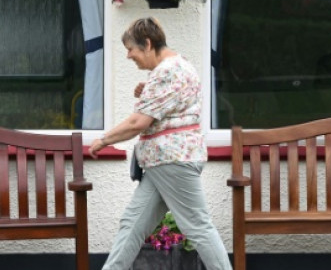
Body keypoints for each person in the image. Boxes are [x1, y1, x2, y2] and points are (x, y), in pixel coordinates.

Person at [89, 17, 232, 270]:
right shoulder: (179, 66)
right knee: (132, 224)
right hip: (163, 163)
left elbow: (137, 123)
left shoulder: (167, 70)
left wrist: (103, 140)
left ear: (147, 43)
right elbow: (173, 104)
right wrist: (148, 90)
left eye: (131, 49)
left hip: (171, 160)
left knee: (198, 226)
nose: (128, 56)